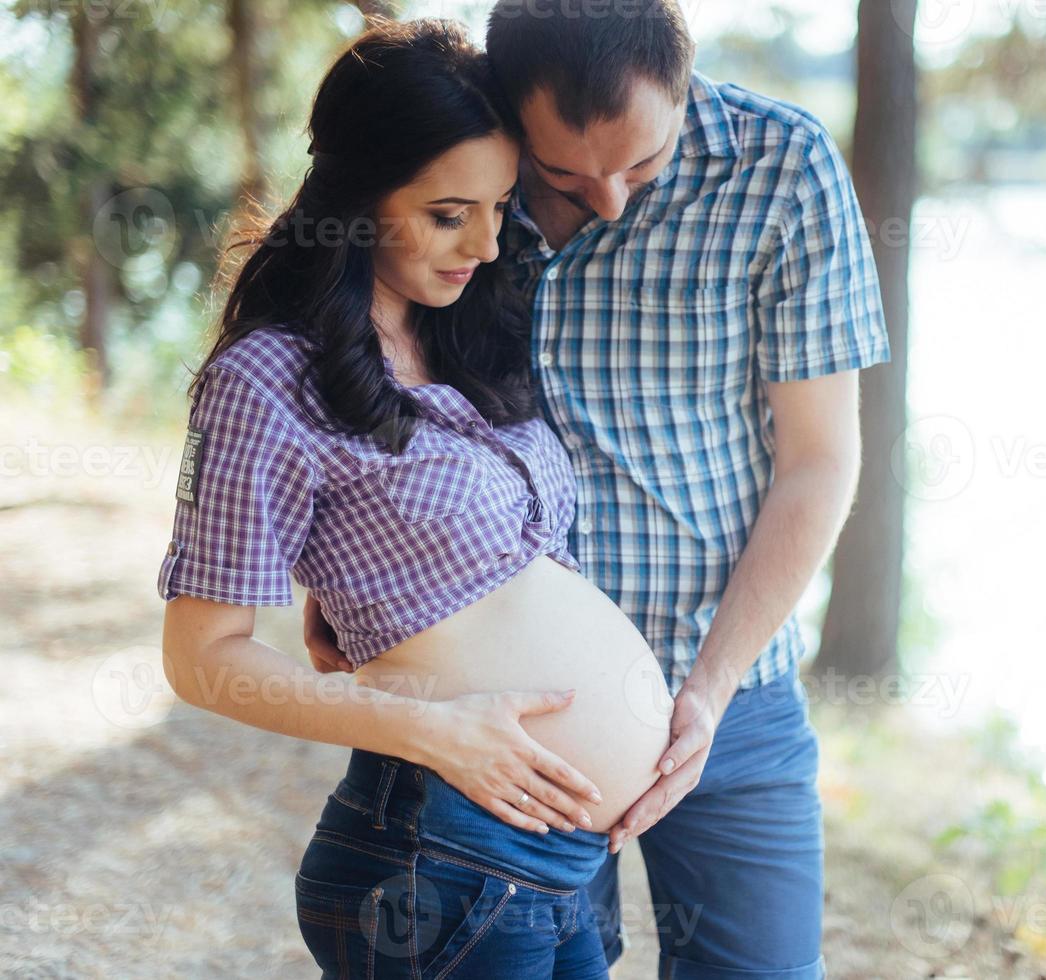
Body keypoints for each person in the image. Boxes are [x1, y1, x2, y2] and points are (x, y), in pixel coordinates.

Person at [306, 2, 892, 976]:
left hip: (730, 690)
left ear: (683, 81)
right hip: (502, 715)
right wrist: (339, 572)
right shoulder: (464, 174)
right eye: (566, 175)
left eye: (642, 166)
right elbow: (368, 382)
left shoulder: (783, 168)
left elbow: (820, 460)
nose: (612, 199)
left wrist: (706, 689)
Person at [157, 19, 672, 977]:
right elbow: (201, 659)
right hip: (440, 855)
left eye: (500, 204)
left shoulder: (462, 334)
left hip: (562, 861)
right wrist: (435, 727)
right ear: (357, 204)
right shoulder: (269, 377)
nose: (484, 241)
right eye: (447, 214)